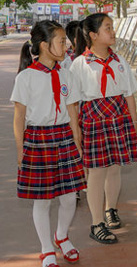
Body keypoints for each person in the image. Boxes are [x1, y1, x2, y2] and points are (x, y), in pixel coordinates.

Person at [12, 20, 85, 267]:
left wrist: (77, 142)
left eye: (66, 41)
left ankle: (62, 235)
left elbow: (73, 111)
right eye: (61, 41)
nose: (67, 45)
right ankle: (46, 248)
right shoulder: (26, 77)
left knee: (68, 196)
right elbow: (19, 117)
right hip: (37, 139)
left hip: (63, 137)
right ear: (44, 45)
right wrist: (21, 150)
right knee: (42, 200)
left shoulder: (67, 74)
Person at [70, 13, 137, 244]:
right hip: (94, 118)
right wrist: (76, 130)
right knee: (97, 171)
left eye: (112, 27)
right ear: (93, 35)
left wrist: (134, 120)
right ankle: (97, 223)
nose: (112, 32)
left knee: (114, 168)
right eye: (107, 28)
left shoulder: (120, 61)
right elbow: (73, 101)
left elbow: (129, 92)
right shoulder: (80, 63)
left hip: (118, 116)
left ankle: (111, 210)